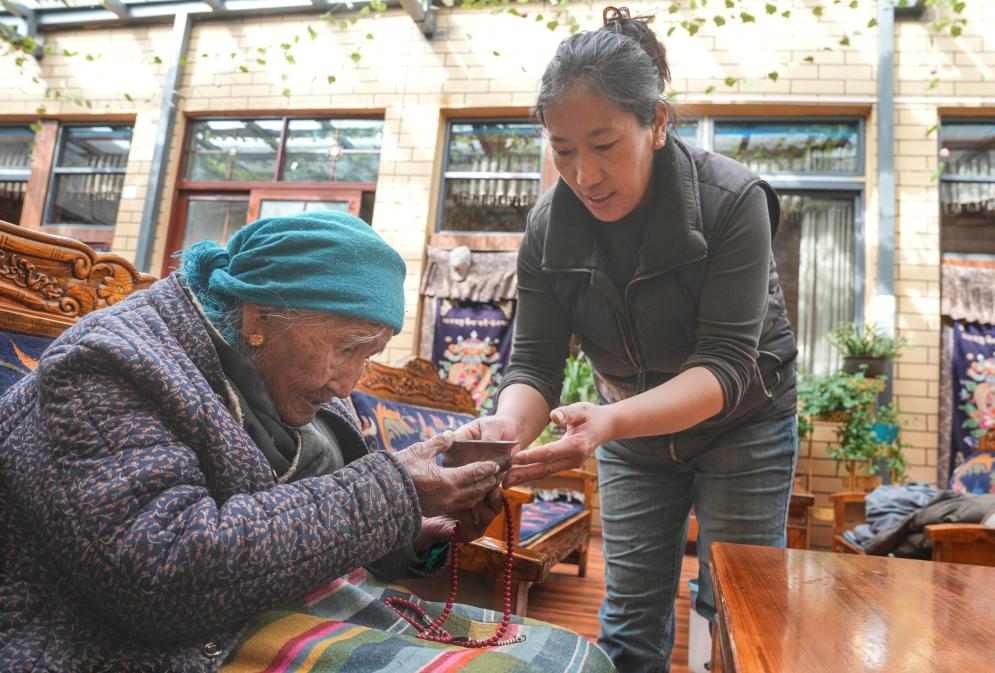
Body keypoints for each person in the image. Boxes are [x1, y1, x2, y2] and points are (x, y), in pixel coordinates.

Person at [0, 211, 613, 673]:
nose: (349, 382)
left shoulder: (293, 377)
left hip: (279, 603)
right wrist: (394, 490)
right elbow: (161, 576)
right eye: (348, 349)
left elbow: (316, 526)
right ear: (259, 317)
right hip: (152, 644)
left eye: (368, 354)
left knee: (578, 658)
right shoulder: (109, 365)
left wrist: (424, 529)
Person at [460, 8, 798, 673]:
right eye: (563, 150)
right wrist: (505, 427)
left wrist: (608, 422)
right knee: (629, 621)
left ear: (658, 122)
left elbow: (726, 364)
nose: (584, 174)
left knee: (734, 612)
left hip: (743, 423)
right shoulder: (546, 229)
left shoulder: (733, 201)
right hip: (628, 434)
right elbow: (533, 363)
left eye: (604, 144)